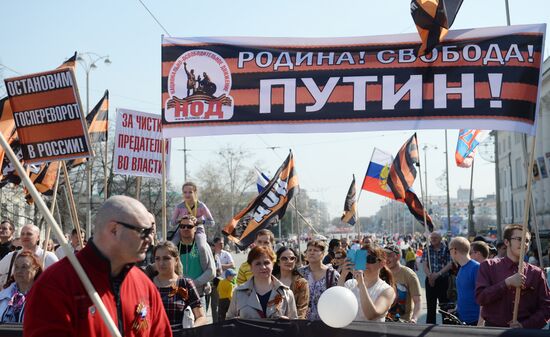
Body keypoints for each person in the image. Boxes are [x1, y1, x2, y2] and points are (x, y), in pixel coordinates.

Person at [23, 195, 171, 337]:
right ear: (114, 230)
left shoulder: (144, 285)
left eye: (151, 232)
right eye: (143, 231)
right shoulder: (56, 285)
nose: (150, 240)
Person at [475, 224, 550, 328]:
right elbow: (481, 298)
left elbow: (546, 308)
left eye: (527, 240)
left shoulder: (536, 273)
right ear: (506, 242)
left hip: (525, 333)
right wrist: (506, 283)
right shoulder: (488, 266)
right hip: (494, 330)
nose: (524, 243)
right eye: (519, 239)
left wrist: (524, 326)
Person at [226, 246, 297, 319]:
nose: (263, 267)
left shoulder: (287, 293)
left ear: (272, 264)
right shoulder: (239, 293)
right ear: (251, 267)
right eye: (258, 263)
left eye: (266, 263)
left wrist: (288, 323)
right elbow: (228, 321)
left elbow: (295, 326)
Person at [153, 241, 206, 329]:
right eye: (157, 258)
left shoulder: (185, 283)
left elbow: (201, 317)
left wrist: (191, 331)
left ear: (176, 260)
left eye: (166, 258)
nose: (161, 263)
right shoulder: (147, 283)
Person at [339, 245, 396, 322]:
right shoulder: (350, 284)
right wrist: (343, 275)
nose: (365, 263)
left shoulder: (387, 290)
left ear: (382, 263)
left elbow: (371, 315)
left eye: (370, 259)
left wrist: (361, 283)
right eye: (362, 259)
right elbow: (337, 304)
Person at [173, 210, 216, 309]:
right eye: (182, 226)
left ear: (195, 228)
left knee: (200, 324)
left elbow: (211, 271)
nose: (185, 229)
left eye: (189, 226)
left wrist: (193, 284)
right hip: (176, 295)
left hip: (198, 294)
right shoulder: (174, 248)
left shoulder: (202, 247)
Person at [298, 240, 339, 320]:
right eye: (309, 250)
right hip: (303, 321)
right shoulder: (300, 273)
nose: (312, 253)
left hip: (326, 320)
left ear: (323, 254)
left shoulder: (332, 274)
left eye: (316, 250)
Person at [0, 252, 42, 323]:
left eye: (24, 267)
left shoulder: (43, 297)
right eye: (16, 267)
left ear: (36, 270)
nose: (19, 271)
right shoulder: (3, 296)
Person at [384, 244, 421, 323]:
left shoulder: (409, 275)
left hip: (403, 322)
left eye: (389, 255)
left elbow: (417, 301)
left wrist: (414, 319)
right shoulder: (380, 273)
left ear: (398, 256)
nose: (386, 258)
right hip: (383, 321)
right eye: (384, 256)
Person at [422, 232, 453, 324]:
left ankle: (446, 327)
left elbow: (450, 264)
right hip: (430, 280)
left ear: (441, 238)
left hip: (443, 280)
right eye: (432, 238)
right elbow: (424, 264)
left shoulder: (447, 249)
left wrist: (438, 274)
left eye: (436, 237)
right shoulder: (427, 249)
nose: (433, 239)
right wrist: (430, 276)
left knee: (444, 306)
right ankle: (430, 328)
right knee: (431, 307)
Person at [449, 237, 480, 326]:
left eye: (449, 251)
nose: (450, 254)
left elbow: (483, 298)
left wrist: (480, 323)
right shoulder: (461, 269)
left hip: (475, 321)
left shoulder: (476, 268)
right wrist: (456, 308)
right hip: (462, 320)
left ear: (454, 250)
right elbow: (464, 293)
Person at [274, 247, 310, 319]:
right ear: (278, 262)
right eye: (284, 258)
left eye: (292, 258)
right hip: (272, 323)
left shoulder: (302, 283)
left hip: (293, 325)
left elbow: (302, 309)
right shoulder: (271, 280)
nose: (289, 261)